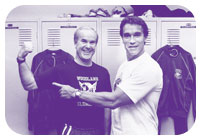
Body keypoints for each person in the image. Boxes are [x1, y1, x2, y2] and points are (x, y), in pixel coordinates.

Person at [52, 16, 163, 135]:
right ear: (122, 38)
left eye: (137, 35)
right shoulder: (125, 66)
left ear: (145, 37)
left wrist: (75, 93)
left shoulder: (148, 67)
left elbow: (113, 100)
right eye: (127, 35)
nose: (132, 41)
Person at [17, 26, 112, 135]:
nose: (88, 46)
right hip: (71, 130)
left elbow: (107, 106)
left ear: (96, 45)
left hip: (97, 130)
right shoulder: (60, 70)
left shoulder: (103, 72)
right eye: (84, 41)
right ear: (75, 43)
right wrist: (21, 60)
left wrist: (106, 134)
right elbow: (30, 84)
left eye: (92, 42)